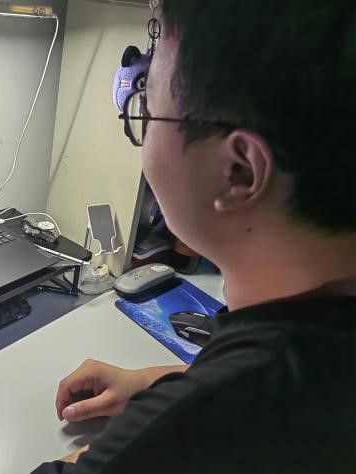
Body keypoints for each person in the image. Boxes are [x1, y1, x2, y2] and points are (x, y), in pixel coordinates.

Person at [32, 0, 356, 472]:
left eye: (148, 111)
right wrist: (154, 383)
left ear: (238, 171)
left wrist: (149, 435)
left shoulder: (221, 415)